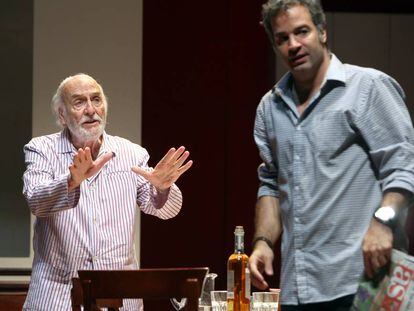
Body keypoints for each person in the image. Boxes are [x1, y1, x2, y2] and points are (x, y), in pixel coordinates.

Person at [248, 0, 414, 310]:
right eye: (283, 38)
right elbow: (271, 184)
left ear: (322, 32)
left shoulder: (367, 87)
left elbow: (404, 166)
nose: (293, 45)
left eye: (302, 32)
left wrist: (383, 222)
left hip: (365, 281)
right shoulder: (269, 108)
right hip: (298, 289)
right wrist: (263, 243)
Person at [22, 73, 193, 310]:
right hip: (57, 296)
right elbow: (36, 200)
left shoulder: (131, 153)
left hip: (121, 297)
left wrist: (162, 188)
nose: (91, 109)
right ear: (62, 115)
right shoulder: (41, 149)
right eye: (79, 102)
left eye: (96, 99)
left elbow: (164, 210)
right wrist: (71, 180)